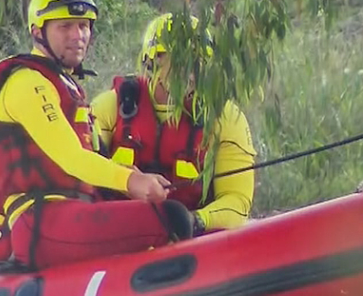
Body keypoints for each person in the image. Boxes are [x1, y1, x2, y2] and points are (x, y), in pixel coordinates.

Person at [0, 0, 194, 268]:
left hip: (71, 216)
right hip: (40, 222)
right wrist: (132, 181)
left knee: (170, 213)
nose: (78, 36)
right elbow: (72, 158)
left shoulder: (64, 85)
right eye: (65, 27)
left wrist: (133, 178)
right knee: (173, 218)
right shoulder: (26, 82)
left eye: (84, 26)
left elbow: (91, 164)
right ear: (38, 32)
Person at [91, 13, 257, 237]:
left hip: (191, 242)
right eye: (180, 61)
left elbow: (237, 201)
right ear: (154, 60)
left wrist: (194, 221)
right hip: (118, 237)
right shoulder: (110, 106)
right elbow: (82, 169)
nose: (192, 71)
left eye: (199, 61)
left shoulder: (225, 117)